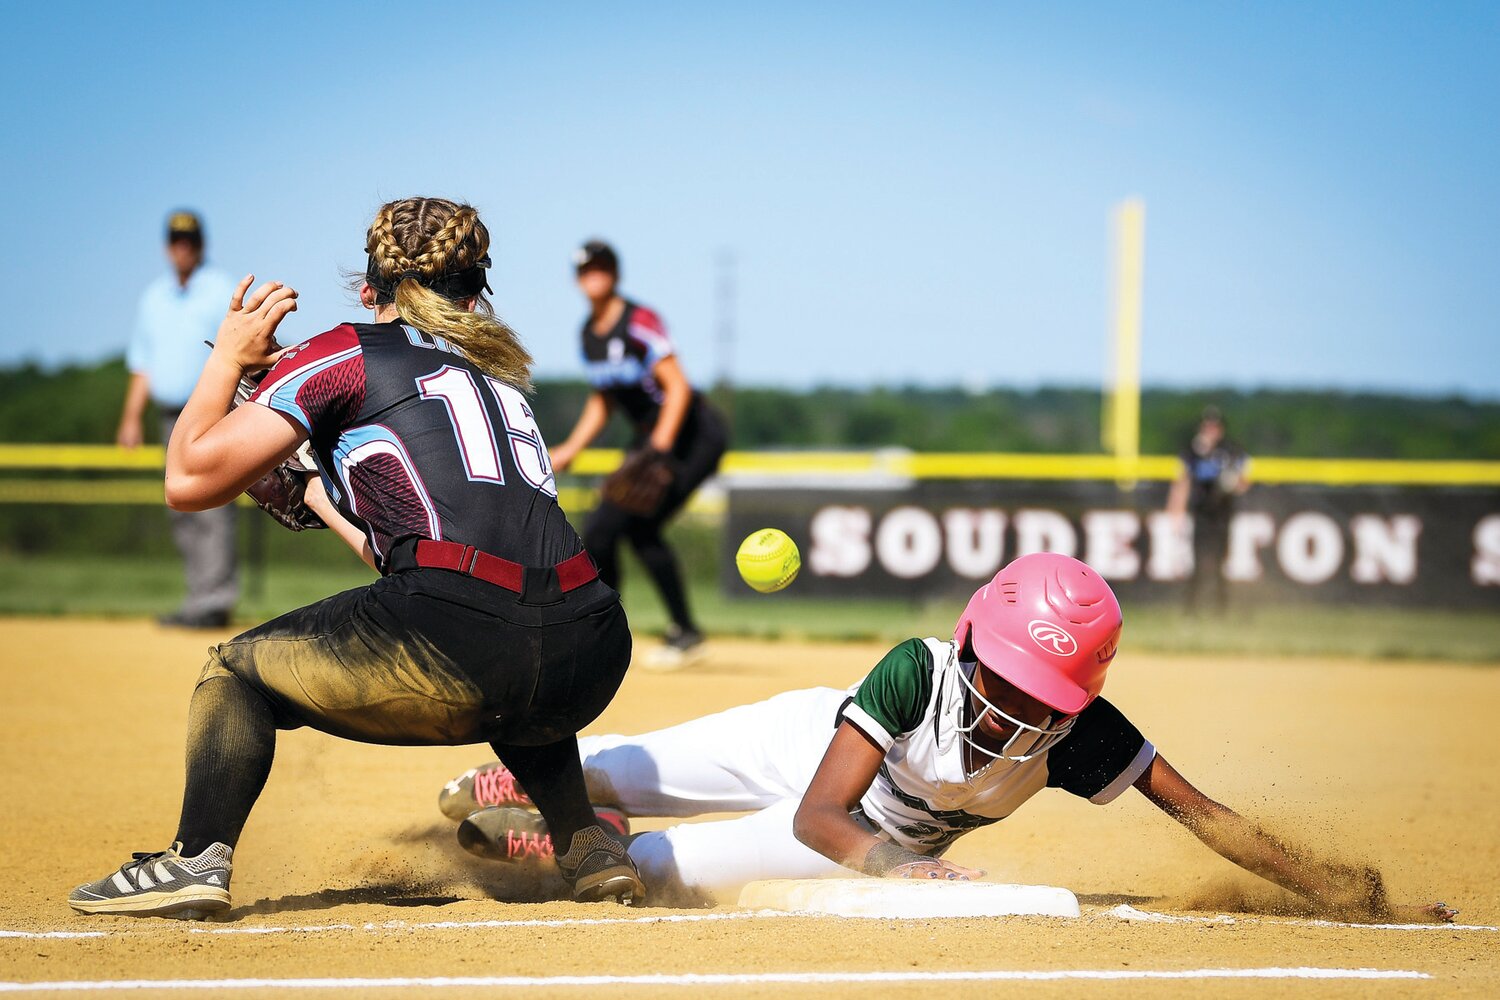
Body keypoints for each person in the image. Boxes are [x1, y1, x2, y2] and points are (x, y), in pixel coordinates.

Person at [70, 197, 644, 919]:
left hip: (466, 637)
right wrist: (315, 494)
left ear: (369, 286)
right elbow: (436, 558)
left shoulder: (346, 352)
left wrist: (225, 357)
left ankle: (194, 859)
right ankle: (585, 842)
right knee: (517, 636)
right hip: (591, 645)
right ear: (476, 293)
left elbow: (187, 481)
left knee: (233, 674)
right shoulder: (500, 380)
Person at [440, 552, 1455, 922]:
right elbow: (821, 811)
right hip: (815, 765)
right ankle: (546, 786)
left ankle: (559, 839)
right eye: (1008, 677)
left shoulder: (1083, 733)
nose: (1019, 707)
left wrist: (1342, 891)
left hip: (863, 845)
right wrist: (905, 870)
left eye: (1044, 691)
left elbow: (1203, 817)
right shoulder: (917, 667)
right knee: (623, 765)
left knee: (646, 873)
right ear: (973, 640)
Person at [548, 241, 728, 667]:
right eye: (585, 270)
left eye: (601, 268)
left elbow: (678, 387)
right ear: (578, 280)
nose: (593, 276)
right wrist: (572, 448)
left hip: (693, 434)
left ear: (614, 273)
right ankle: (668, 632)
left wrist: (660, 449)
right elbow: (604, 400)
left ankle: (634, 632)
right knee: (612, 530)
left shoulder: (639, 320)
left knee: (626, 527)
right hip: (653, 440)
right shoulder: (588, 335)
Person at [117, 211, 240, 628]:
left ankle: (215, 600)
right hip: (169, 416)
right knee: (181, 506)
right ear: (167, 246)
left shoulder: (220, 289)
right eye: (175, 240)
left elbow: (238, 349)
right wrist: (131, 417)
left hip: (210, 412)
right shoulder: (154, 297)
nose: (182, 247)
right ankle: (197, 599)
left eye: (189, 241)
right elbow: (143, 363)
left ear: (200, 244)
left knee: (211, 506)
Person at [1166, 406, 1250, 615]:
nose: (1211, 430)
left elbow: (1243, 482)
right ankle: (1191, 609)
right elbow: (1181, 484)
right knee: (1197, 563)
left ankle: (1220, 609)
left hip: (1222, 515)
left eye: (1215, 426)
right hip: (1201, 515)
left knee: (1221, 563)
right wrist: (1175, 512)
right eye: (1208, 426)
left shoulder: (1232, 451)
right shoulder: (1192, 453)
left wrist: (1231, 481)